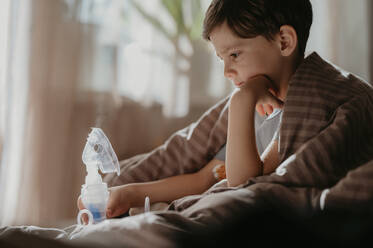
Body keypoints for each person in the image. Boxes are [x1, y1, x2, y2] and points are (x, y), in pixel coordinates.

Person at [77, 0, 313, 221]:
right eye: (222, 59)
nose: (227, 72)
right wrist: (129, 193)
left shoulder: (302, 112)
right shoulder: (258, 109)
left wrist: (241, 101)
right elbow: (206, 177)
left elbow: (242, 184)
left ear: (284, 41)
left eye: (235, 55)